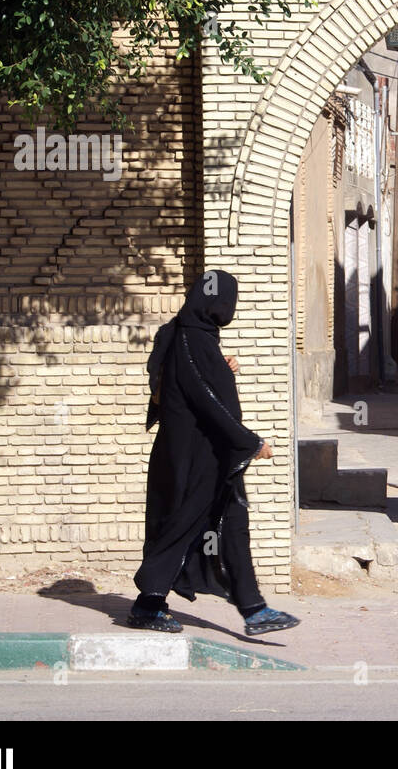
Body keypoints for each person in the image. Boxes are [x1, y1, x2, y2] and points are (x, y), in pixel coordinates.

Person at [128, 269, 298, 637]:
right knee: (182, 525)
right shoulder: (194, 340)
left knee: (233, 526)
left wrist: (223, 367)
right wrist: (251, 443)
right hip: (197, 457)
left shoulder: (183, 334)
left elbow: (182, 384)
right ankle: (148, 604)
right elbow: (207, 403)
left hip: (204, 454)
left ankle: (254, 609)